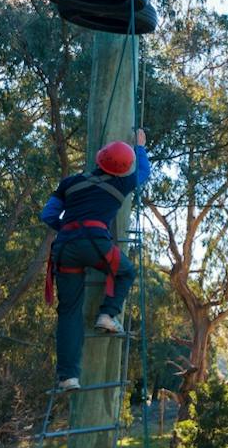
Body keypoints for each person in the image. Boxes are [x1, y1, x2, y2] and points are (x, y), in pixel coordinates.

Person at [41, 128, 150, 390]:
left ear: (99, 160)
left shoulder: (70, 183)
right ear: (122, 169)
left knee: (68, 312)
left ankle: (68, 377)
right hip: (97, 244)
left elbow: (48, 215)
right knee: (125, 271)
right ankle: (107, 315)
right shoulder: (121, 184)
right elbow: (144, 173)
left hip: (65, 248)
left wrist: (67, 228)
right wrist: (140, 147)